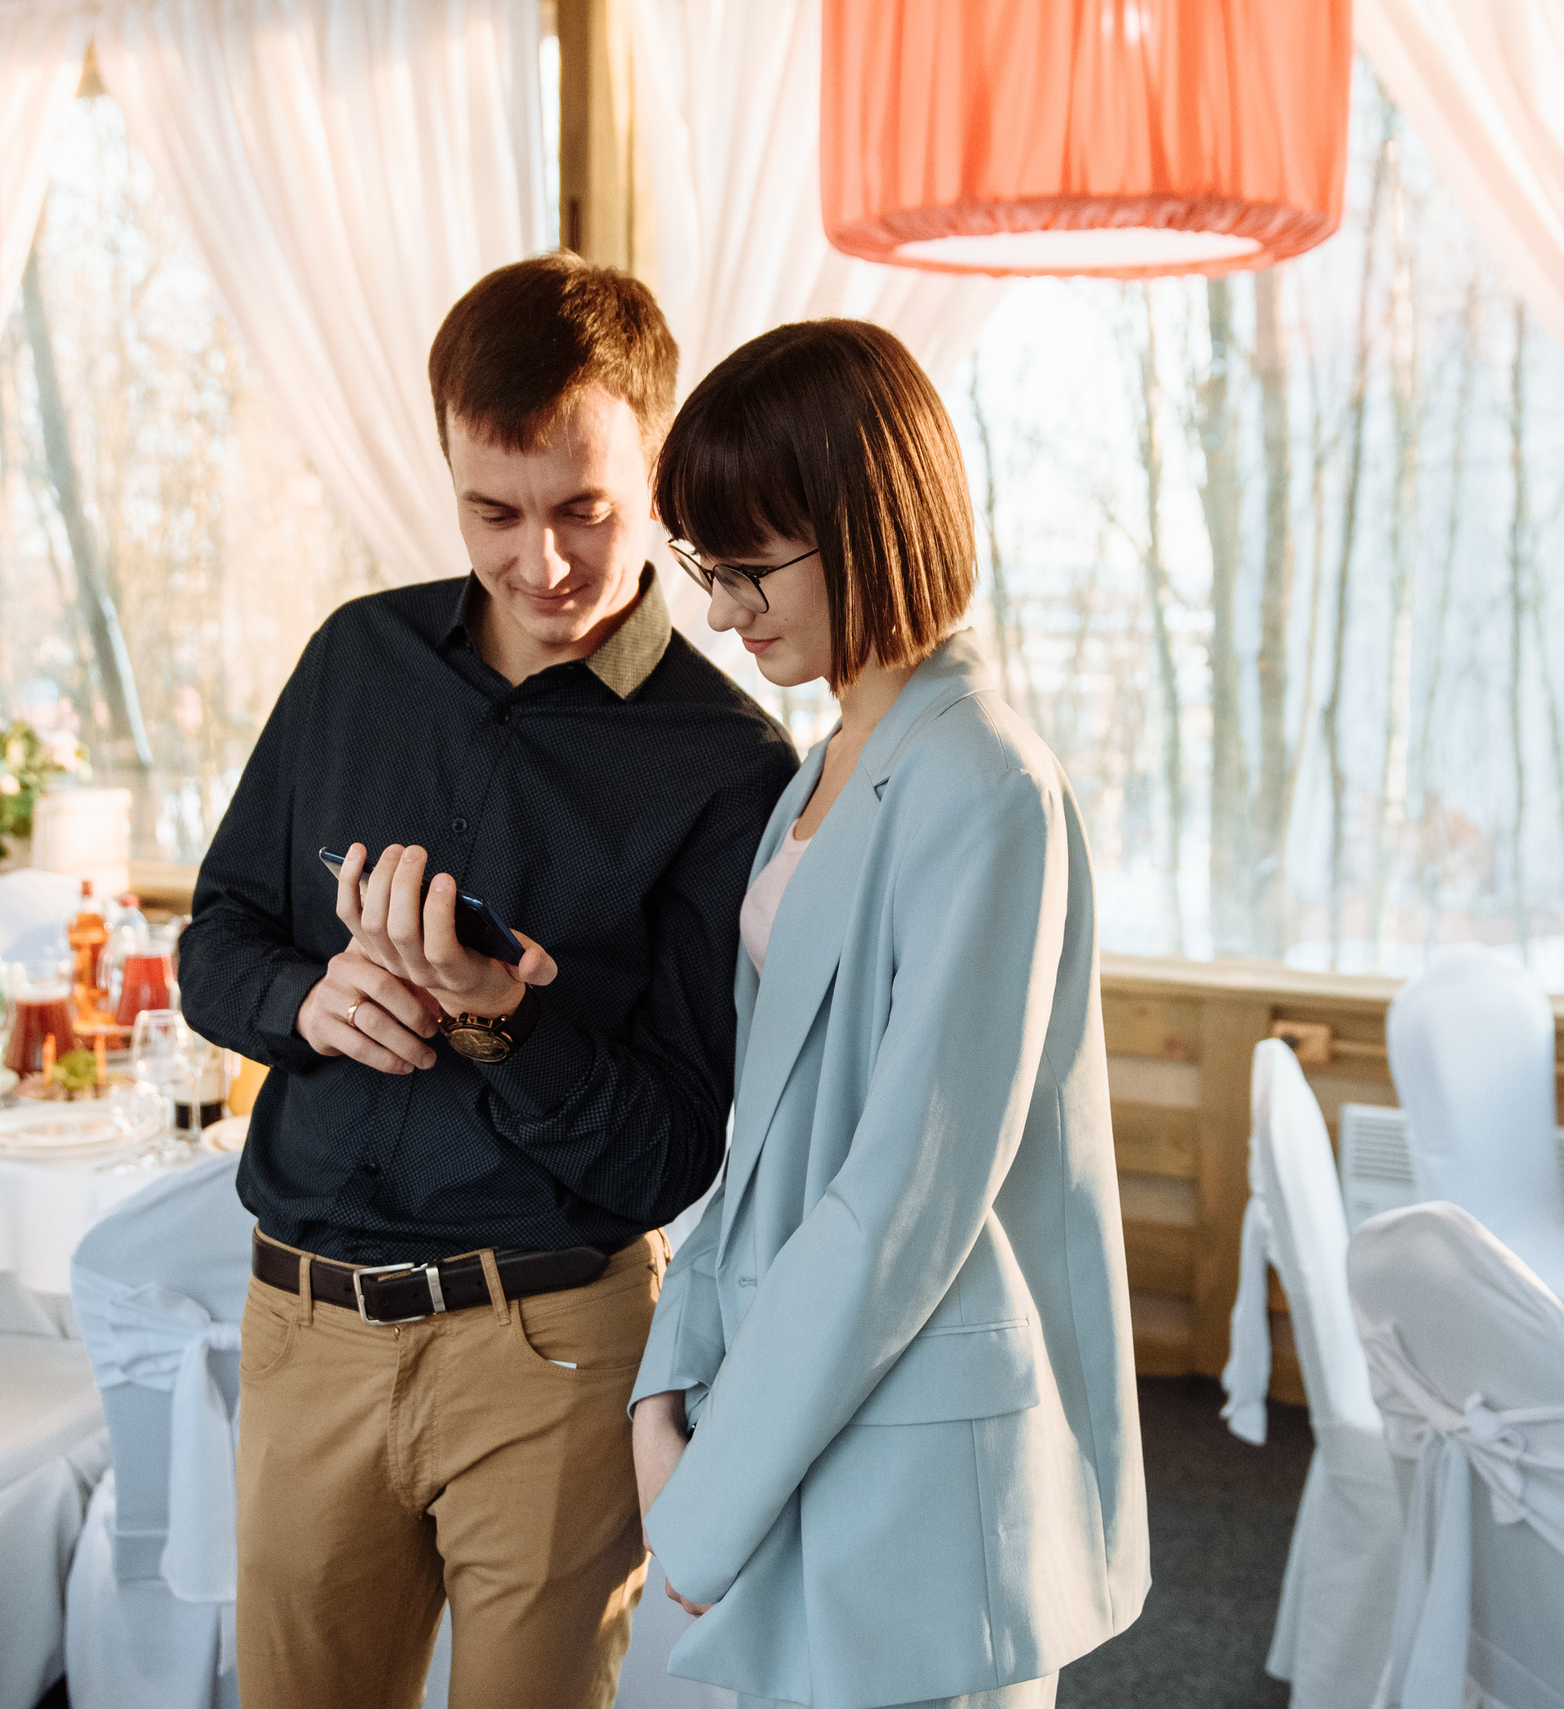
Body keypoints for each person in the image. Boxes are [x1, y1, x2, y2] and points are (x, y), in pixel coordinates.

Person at [179, 254, 800, 1709]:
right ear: (448, 466)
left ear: (651, 461)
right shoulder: (354, 659)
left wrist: (499, 1019)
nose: (544, 563)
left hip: (554, 1350)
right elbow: (213, 942)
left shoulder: (730, 764)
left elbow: (673, 1144)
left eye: (585, 507)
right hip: (304, 1327)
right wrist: (303, 1004)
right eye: (494, 513)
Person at [627, 320, 1149, 1709]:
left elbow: (901, 1203)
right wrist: (664, 1377)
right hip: (791, 1401)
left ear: (866, 522)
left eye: (750, 566)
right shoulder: (817, 772)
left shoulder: (985, 783)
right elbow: (767, 1139)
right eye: (705, 567)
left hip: (912, 1451)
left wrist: (703, 1495)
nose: (725, 612)